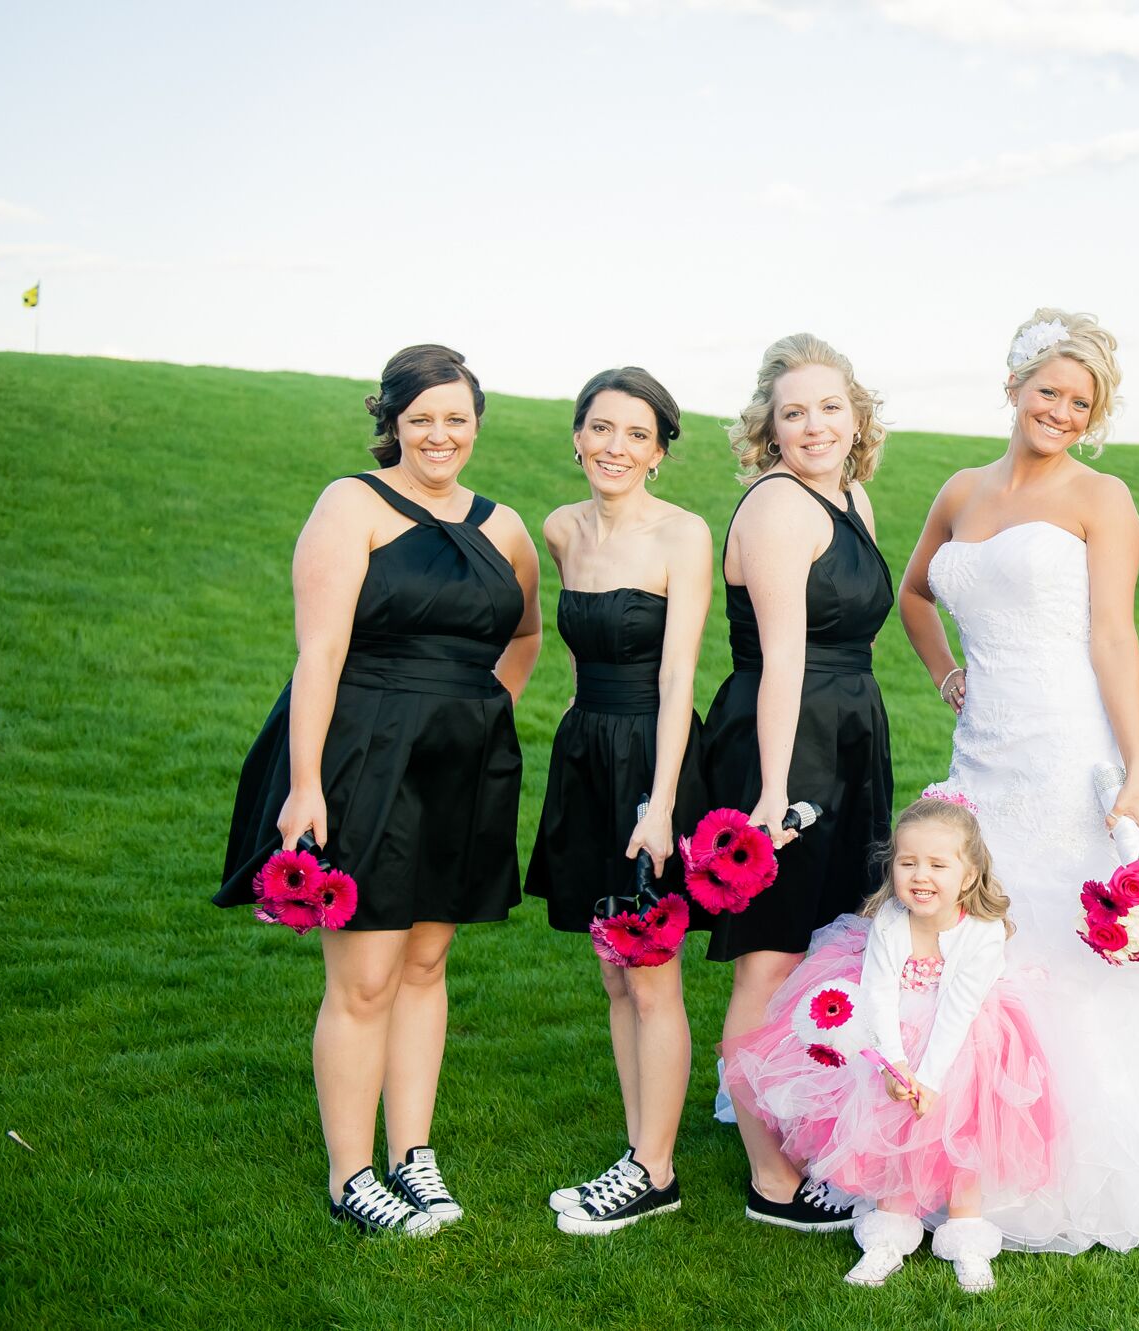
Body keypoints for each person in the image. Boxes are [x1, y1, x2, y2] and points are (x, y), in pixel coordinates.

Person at [898, 308, 1139, 1254]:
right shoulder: (958, 488)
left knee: (1068, 940)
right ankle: (968, 1152)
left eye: (1080, 400)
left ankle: (1074, 1165)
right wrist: (947, 671)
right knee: (980, 940)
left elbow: (1114, 635)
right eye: (1048, 390)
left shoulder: (1102, 499)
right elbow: (915, 593)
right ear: (1015, 385)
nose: (1060, 410)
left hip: (1069, 746)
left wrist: (1138, 769)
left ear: (1094, 414)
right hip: (981, 751)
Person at [217, 344, 541, 1234]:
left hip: (463, 761)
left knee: (427, 963)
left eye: (457, 418)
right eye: (422, 418)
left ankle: (414, 1154)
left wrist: (479, 711)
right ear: (392, 422)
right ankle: (350, 1174)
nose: (440, 435)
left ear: (477, 424)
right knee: (364, 975)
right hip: (362, 752)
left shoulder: (505, 525)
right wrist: (306, 783)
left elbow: (522, 637)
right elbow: (319, 651)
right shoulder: (350, 503)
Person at [703, 333, 895, 1232]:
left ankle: (809, 1131)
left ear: (856, 415)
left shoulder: (850, 495)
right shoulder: (779, 507)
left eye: (829, 407)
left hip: (848, 732)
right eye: (792, 412)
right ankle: (769, 1176)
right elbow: (780, 660)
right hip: (785, 741)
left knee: (830, 945)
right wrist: (772, 796)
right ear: (767, 429)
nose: (813, 425)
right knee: (770, 955)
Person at [724, 796, 1060, 1293]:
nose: (920, 876)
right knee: (889, 1130)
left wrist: (930, 1078)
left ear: (968, 876)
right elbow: (877, 993)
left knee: (962, 1135)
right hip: (892, 1037)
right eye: (908, 863)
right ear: (893, 865)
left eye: (937, 865)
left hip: (966, 1044)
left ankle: (966, 1238)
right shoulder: (889, 922)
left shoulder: (982, 933)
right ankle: (888, 1234)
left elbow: (958, 1010)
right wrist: (895, 1066)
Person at [524, 367, 712, 1235]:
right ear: (577, 434)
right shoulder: (562, 530)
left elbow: (678, 676)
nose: (615, 447)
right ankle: (640, 1152)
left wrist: (660, 801)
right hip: (587, 752)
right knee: (612, 968)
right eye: (602, 428)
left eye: (636, 435)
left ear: (660, 452)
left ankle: (653, 1167)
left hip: (652, 755)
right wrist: (574, 739)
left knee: (652, 971)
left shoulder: (683, 533)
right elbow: (573, 648)